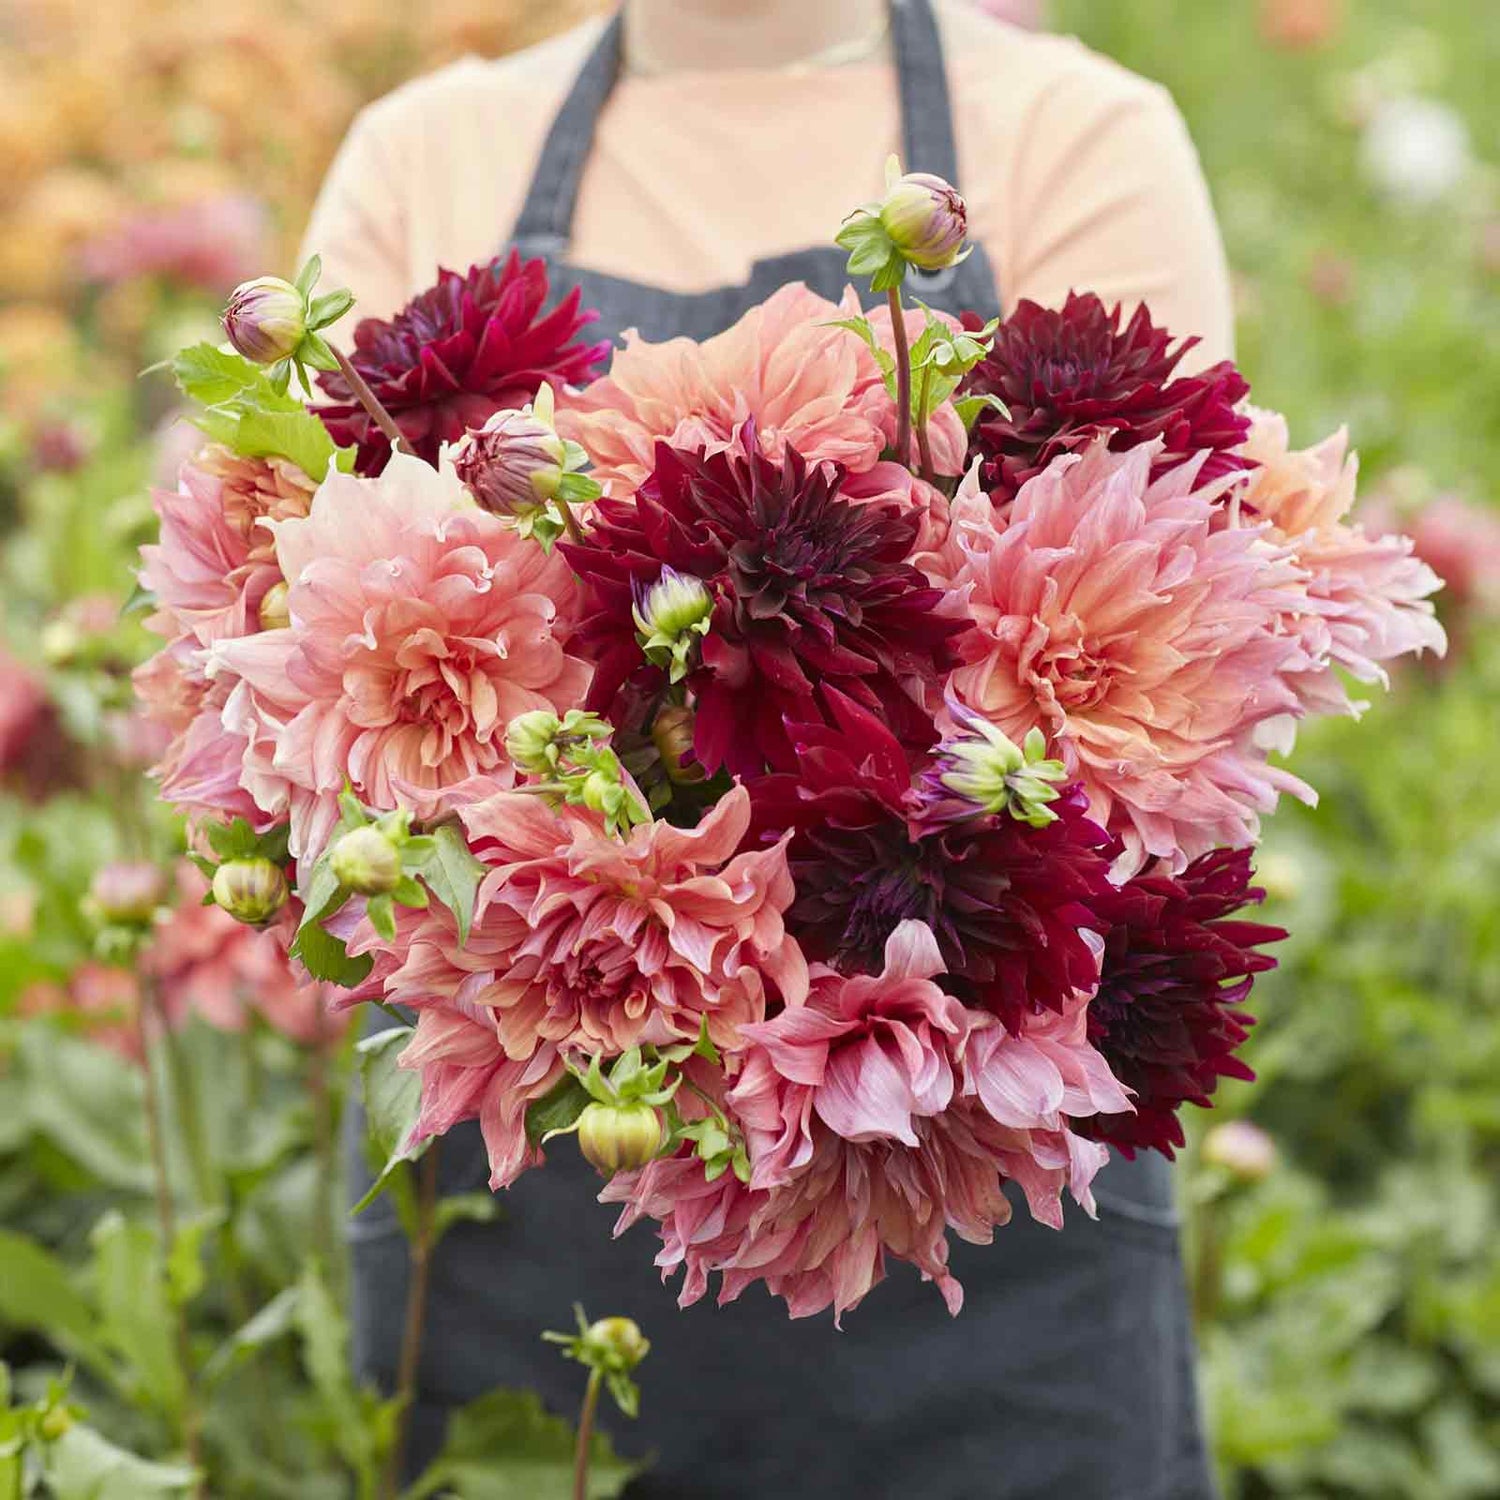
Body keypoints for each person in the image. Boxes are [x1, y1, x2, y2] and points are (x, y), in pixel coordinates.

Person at [302, 3, 1233, 1495]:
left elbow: (1190, 650)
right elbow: (292, 634)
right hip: (531, 1179)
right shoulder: (427, 152)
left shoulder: (1072, 133)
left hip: (972, 1202)